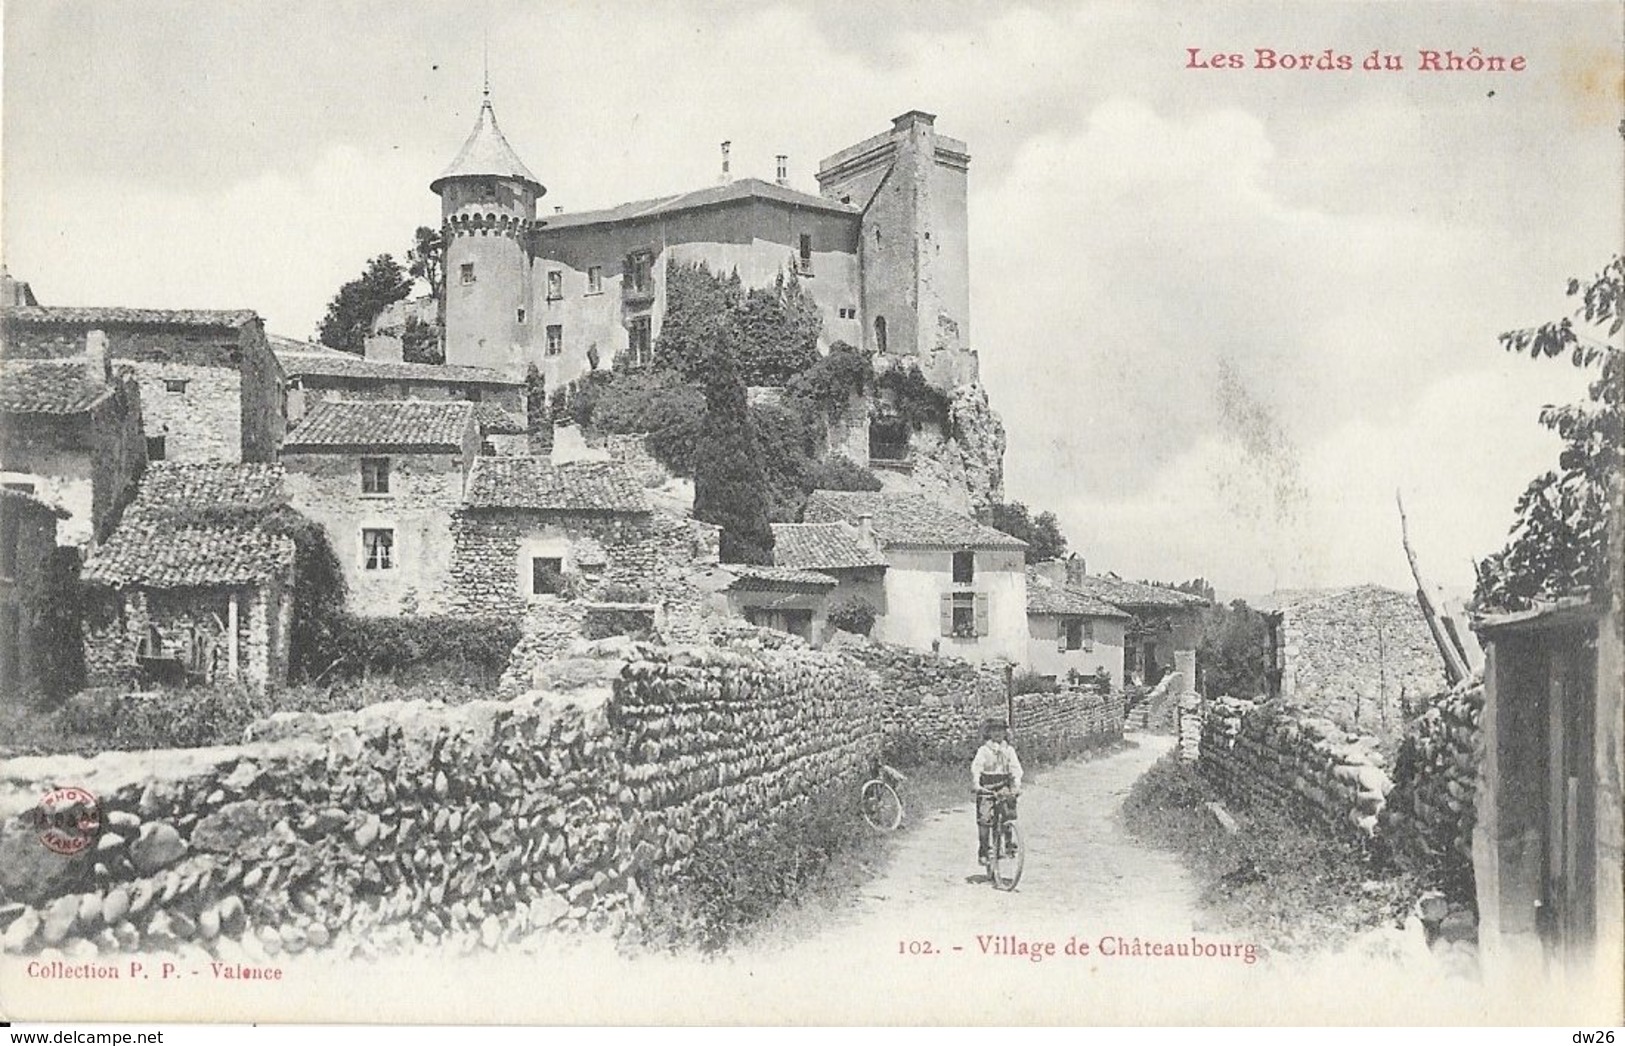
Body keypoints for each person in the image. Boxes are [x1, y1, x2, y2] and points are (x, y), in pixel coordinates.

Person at [972, 717, 1023, 863]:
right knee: (984, 817)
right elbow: (977, 767)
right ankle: (984, 849)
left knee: (1009, 809)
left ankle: (1008, 842)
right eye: (994, 731)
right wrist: (976, 783)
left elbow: (1015, 768)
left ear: (1005, 733)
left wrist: (1017, 785)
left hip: (1003, 784)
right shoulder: (984, 750)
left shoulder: (1009, 750)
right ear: (989, 733)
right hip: (987, 784)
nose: (997, 734)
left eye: (1000, 730)